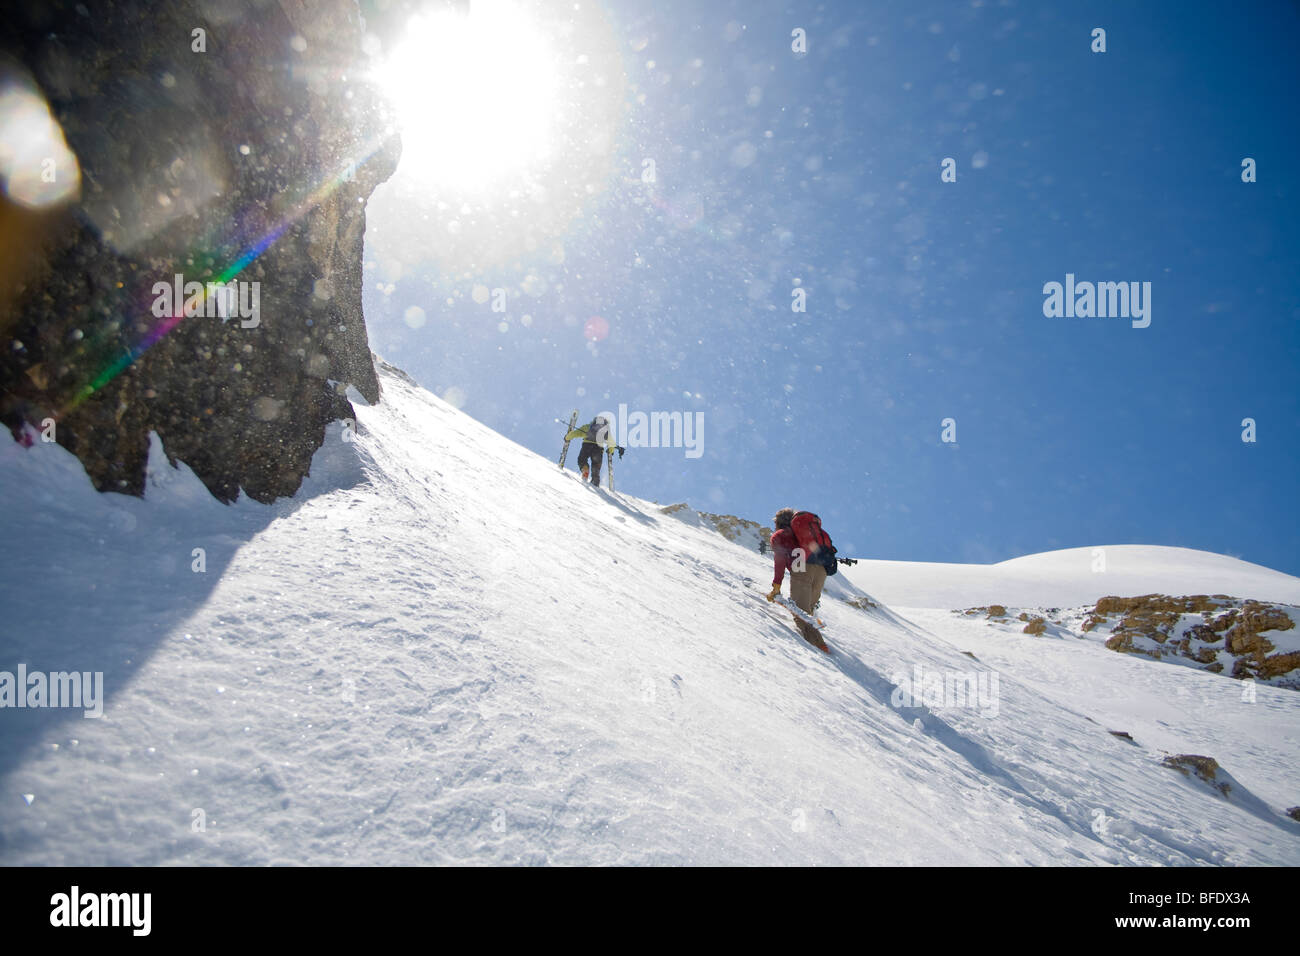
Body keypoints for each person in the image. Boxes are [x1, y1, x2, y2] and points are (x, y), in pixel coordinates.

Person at [766, 507, 829, 652]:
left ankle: (821, 649)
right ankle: (817, 639)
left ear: (778, 522)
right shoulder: (805, 533)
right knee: (809, 610)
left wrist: (776, 585)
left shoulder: (780, 535)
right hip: (821, 571)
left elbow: (780, 561)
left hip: (801, 570)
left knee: (801, 614)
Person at [565, 414, 621, 487]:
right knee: (596, 468)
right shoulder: (606, 430)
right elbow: (611, 442)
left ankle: (585, 469)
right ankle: (595, 483)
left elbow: (576, 433)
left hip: (587, 445)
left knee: (582, 460)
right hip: (598, 449)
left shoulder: (588, 426)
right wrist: (611, 450)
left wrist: (567, 437)